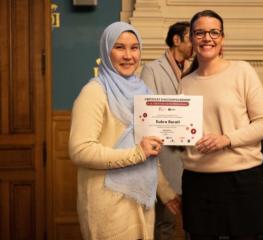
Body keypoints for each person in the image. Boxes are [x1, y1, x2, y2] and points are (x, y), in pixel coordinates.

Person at [68, 21, 180, 240]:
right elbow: (80, 151)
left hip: (140, 201)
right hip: (108, 204)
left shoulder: (143, 93)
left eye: (134, 47)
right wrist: (137, 153)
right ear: (106, 51)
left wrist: (165, 193)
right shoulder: (94, 93)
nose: (128, 55)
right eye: (119, 47)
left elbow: (148, 153)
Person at [179, 10, 263, 240]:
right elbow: (182, 133)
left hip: (241, 181)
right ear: (191, 38)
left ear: (222, 38)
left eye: (214, 32)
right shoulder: (184, 83)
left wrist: (226, 139)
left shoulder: (242, 71)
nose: (207, 38)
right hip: (197, 182)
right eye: (199, 33)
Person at [140, 21, 193, 240]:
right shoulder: (151, 69)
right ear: (176, 40)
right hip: (163, 159)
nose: (196, 43)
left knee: (194, 222)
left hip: (190, 159)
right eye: (191, 38)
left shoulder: (194, 70)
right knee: (165, 223)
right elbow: (147, 113)